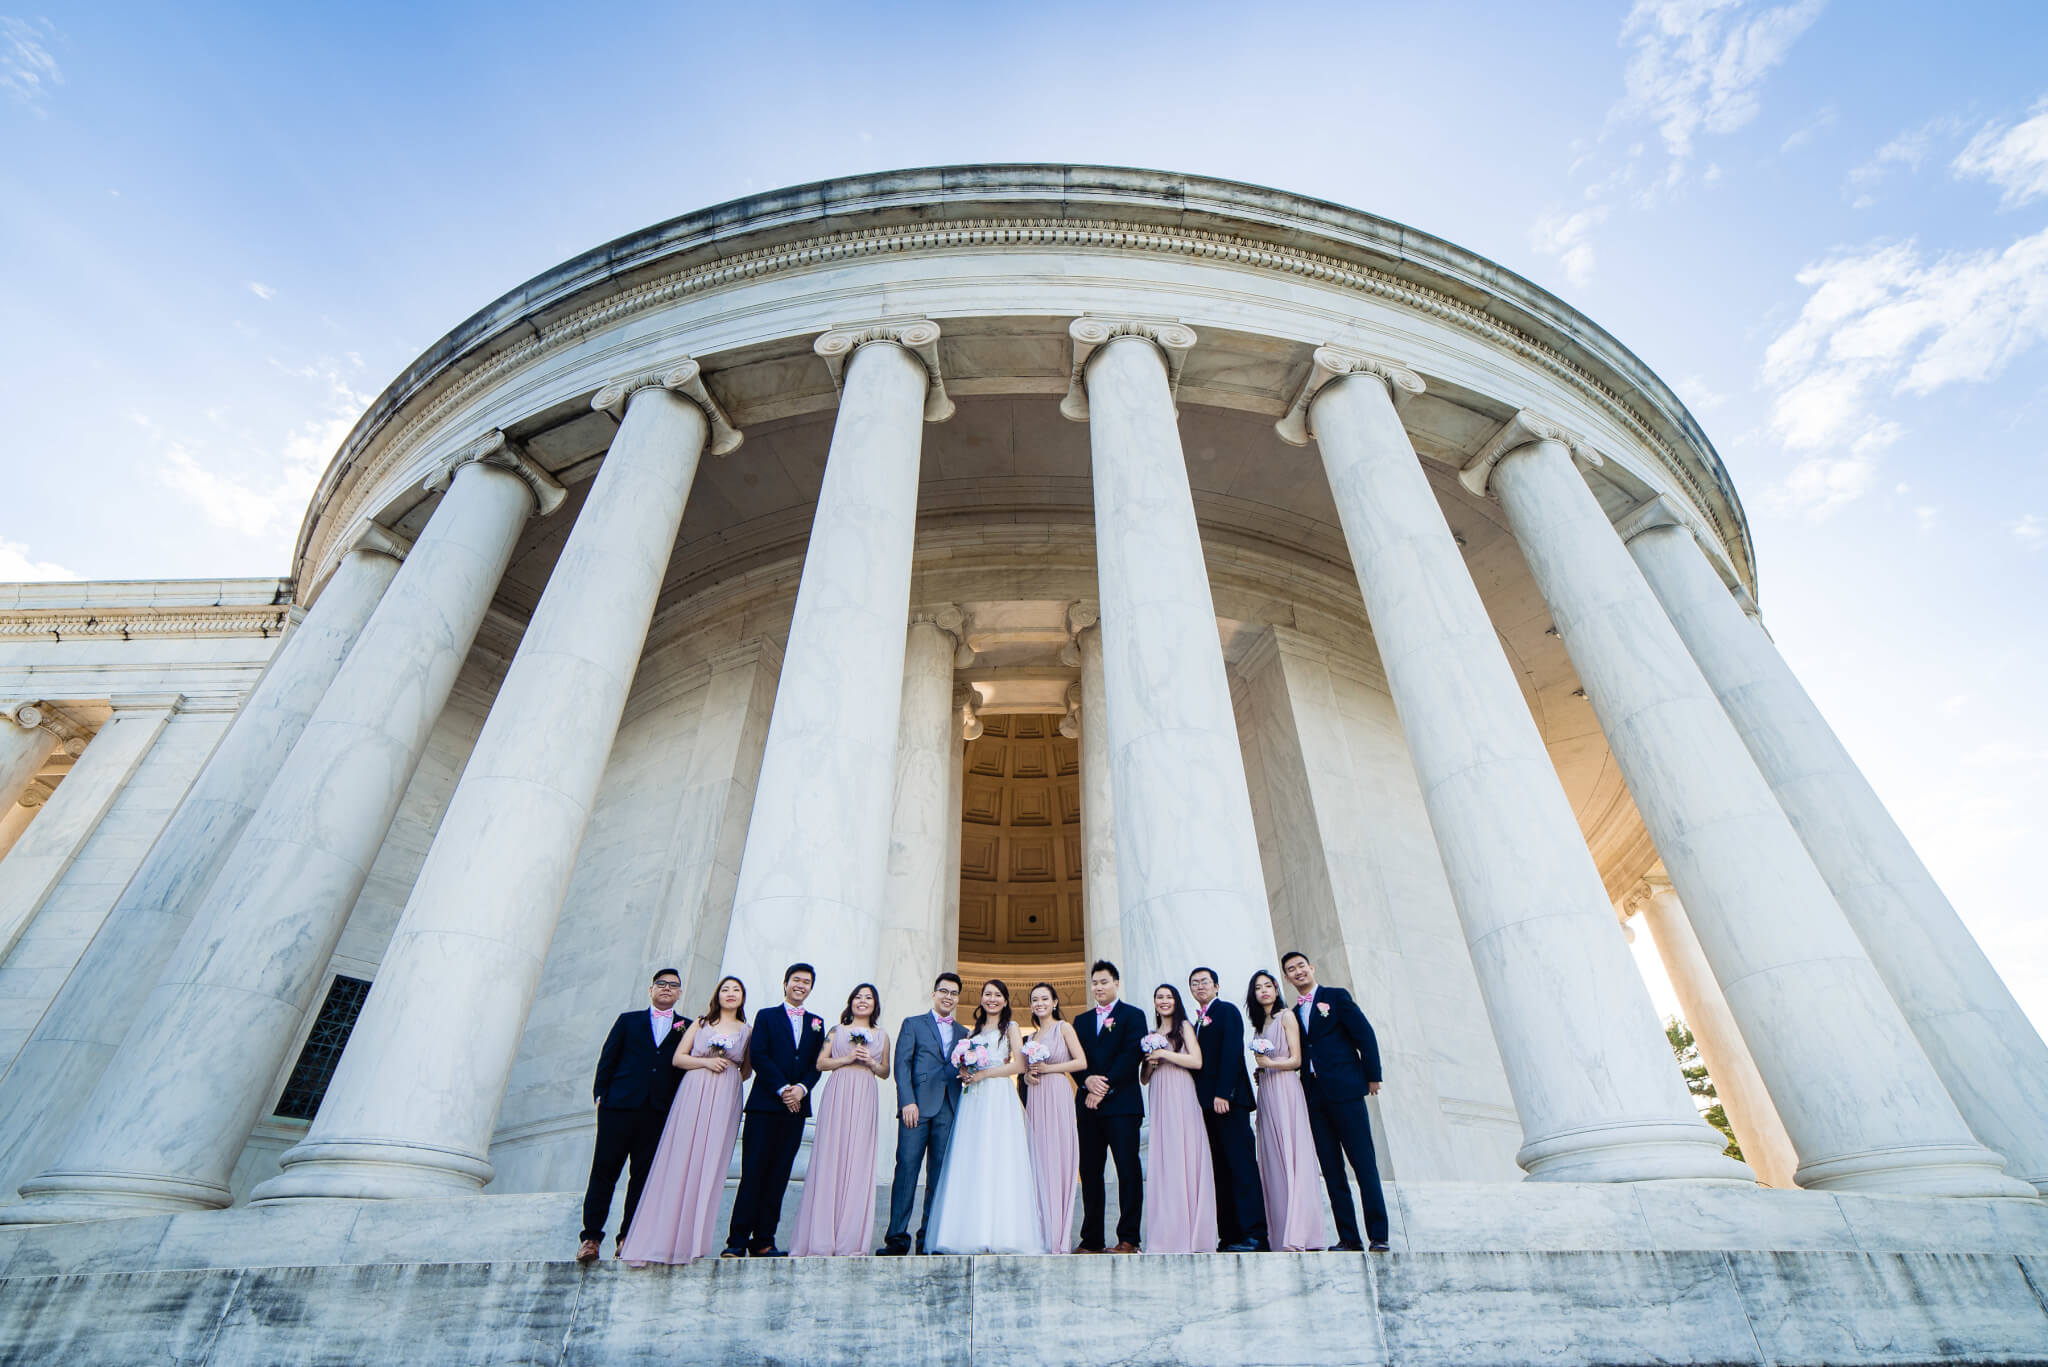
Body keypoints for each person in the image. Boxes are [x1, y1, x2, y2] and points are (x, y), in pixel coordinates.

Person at [618, 976, 753, 1265]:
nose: (730, 994)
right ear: (717, 995)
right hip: (693, 1090)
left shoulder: (747, 1030)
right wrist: (706, 1063)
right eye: (725, 989)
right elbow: (678, 1059)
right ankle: (656, 1237)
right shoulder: (701, 1023)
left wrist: (726, 1071)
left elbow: (746, 1071)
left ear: (743, 997)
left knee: (710, 1161)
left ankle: (691, 1242)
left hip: (726, 1094)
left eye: (736, 990)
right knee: (679, 1156)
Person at [577, 967, 689, 1263]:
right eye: (661, 984)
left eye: (673, 985)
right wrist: (600, 1095)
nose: (666, 988)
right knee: (604, 1172)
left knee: (643, 1176)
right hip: (619, 1107)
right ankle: (590, 1237)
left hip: (657, 1111)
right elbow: (608, 1058)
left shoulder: (687, 1027)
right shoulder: (628, 1021)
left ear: (679, 993)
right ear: (651, 989)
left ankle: (628, 1237)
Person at [924, 979, 1044, 1253]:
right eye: (987, 994)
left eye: (997, 995)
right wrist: (966, 1073)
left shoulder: (1011, 1028)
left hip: (999, 1096)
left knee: (999, 1158)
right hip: (974, 1100)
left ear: (1005, 1000)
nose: (992, 999)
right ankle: (967, 1232)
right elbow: (964, 1065)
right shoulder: (970, 1032)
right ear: (981, 999)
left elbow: (1018, 1063)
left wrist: (984, 1073)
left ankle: (1003, 1233)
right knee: (972, 1158)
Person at [1282, 950, 1389, 1252]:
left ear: (1311, 968)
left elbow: (1364, 1035)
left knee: (1363, 1163)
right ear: (1287, 978)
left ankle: (1379, 1235)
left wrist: (1372, 1075)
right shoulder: (1292, 1012)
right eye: (1291, 970)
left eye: (1301, 966)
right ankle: (1349, 1238)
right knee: (1331, 1170)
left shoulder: (1336, 997)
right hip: (1314, 1098)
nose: (1298, 972)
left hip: (1345, 1091)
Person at [723, 962, 825, 1258]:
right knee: (753, 1171)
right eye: (796, 980)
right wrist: (783, 1089)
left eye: (806, 982)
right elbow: (759, 1055)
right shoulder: (766, 1016)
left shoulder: (817, 1022)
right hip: (765, 1106)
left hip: (796, 1110)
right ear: (785, 983)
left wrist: (801, 1089)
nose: (800, 985)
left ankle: (764, 1239)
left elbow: (815, 1064)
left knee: (779, 1174)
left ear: (810, 988)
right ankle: (737, 1240)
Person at [789, 983, 891, 1257]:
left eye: (868, 997)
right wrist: (846, 1057)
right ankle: (820, 1236)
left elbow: (885, 1071)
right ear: (851, 1002)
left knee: (858, 1158)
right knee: (831, 1156)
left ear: (875, 1005)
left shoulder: (882, 1035)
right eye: (858, 997)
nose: (862, 1001)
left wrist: (870, 1062)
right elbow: (821, 1063)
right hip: (839, 1090)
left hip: (865, 1092)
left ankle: (850, 1237)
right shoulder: (837, 1031)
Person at [879, 973, 965, 1255]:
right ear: (934, 993)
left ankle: (929, 1237)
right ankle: (897, 1237)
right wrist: (907, 1101)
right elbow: (901, 1065)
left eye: (953, 993)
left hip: (948, 1108)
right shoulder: (913, 1024)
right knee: (906, 1169)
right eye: (943, 991)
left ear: (958, 998)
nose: (948, 997)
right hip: (915, 1108)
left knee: (939, 1175)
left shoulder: (965, 1034)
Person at [1188, 966, 1268, 1253]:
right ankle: (1230, 1234)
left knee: (1241, 1167)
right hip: (1207, 1107)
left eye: (1205, 982)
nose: (1200, 987)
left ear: (1217, 986)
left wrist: (1224, 1093)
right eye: (1194, 983)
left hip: (1229, 1102)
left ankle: (1255, 1235)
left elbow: (1232, 1053)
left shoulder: (1227, 1011)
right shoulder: (1195, 1022)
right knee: (1219, 1170)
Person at [1246, 969, 1325, 1251]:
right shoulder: (1259, 1025)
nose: (1264, 991)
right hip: (1266, 1090)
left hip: (1286, 1088)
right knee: (1272, 1156)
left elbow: (1295, 1060)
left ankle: (1301, 1231)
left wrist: (1270, 1065)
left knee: (1293, 1152)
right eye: (1258, 987)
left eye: (1269, 986)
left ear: (1277, 989)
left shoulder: (1286, 1016)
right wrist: (1261, 1071)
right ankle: (1280, 1230)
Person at [1072, 960, 1147, 1253]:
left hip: (1122, 1104)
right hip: (1088, 1107)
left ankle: (1129, 1237)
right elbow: (1074, 1057)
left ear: (1116, 983)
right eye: (1094, 983)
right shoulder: (1080, 1021)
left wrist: (1102, 1087)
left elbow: (1132, 1055)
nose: (1098, 987)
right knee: (1090, 1172)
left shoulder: (1133, 1015)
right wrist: (1086, 1081)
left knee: (1127, 1170)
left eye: (1104, 982)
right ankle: (1091, 1239)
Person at [1139, 983, 1218, 1254]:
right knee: (1165, 1156)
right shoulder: (1151, 1034)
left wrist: (1165, 1053)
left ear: (1176, 1000)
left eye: (1168, 997)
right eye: (1159, 997)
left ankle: (1191, 1230)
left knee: (1184, 1151)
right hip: (1159, 1092)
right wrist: (1150, 1062)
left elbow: (1196, 1061)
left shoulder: (1183, 1027)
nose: (1163, 1001)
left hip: (1181, 1090)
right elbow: (1144, 1079)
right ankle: (1167, 1230)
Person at [1021, 981, 1087, 1255]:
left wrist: (1049, 1069)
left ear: (1055, 1002)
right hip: (1036, 1098)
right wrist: (1028, 1075)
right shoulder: (1031, 1038)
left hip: (1058, 1093)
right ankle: (1040, 1231)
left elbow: (1081, 1062)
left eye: (1044, 999)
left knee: (1057, 1158)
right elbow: (1025, 1072)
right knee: (1038, 1160)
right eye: (1035, 1000)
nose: (1039, 1004)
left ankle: (1059, 1234)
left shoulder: (1064, 1028)